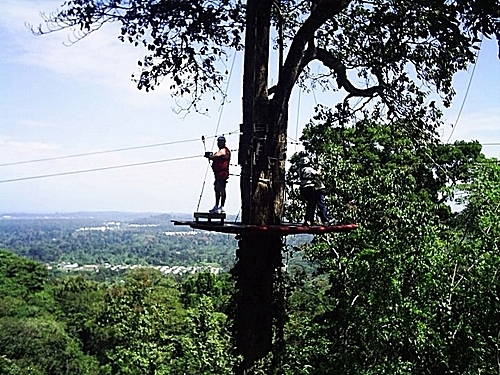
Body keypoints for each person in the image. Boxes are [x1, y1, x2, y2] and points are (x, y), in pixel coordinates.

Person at [298, 156, 331, 226]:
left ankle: (309, 220)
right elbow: (318, 173)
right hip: (311, 189)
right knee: (319, 204)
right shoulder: (309, 169)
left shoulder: (300, 170)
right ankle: (325, 220)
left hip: (304, 188)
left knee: (310, 205)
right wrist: (319, 168)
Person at [205, 135, 231, 214]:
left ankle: (221, 207)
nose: (219, 143)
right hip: (218, 174)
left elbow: (217, 155)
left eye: (220, 142)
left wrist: (210, 156)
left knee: (221, 189)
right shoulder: (220, 151)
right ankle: (216, 206)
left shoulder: (224, 151)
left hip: (222, 174)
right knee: (217, 189)